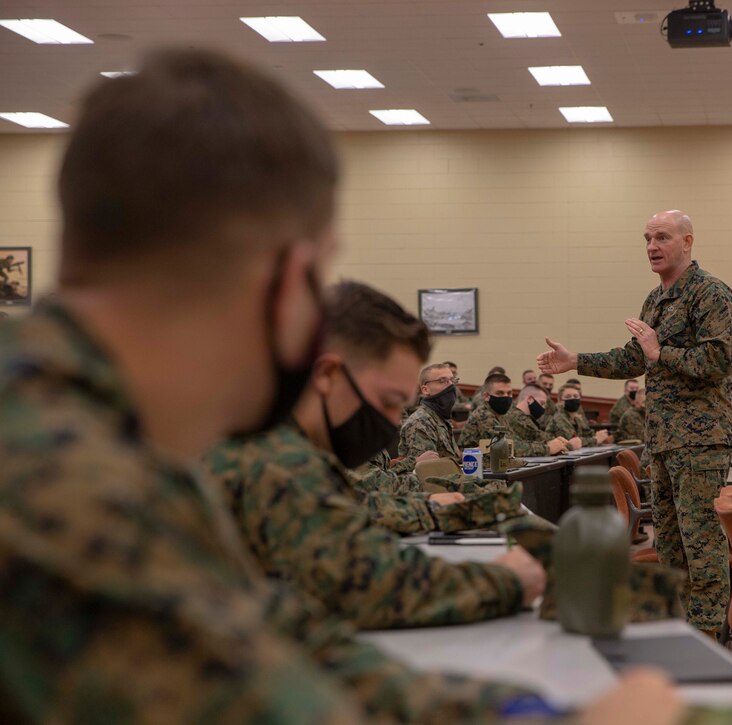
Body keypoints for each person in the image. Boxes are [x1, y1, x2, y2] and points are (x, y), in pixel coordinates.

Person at [1, 47, 673, 723]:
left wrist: (530, 710)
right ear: (288, 277)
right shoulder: (61, 469)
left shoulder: (111, 436)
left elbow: (272, 645)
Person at [204, 281, 546, 630]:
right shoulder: (276, 458)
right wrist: (507, 579)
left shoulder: (295, 446)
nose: (393, 419)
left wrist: (450, 508)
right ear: (327, 376)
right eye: (387, 401)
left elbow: (357, 505)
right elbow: (371, 583)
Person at [538, 209, 732, 636]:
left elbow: (720, 361)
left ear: (687, 241)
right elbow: (631, 358)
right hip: (664, 439)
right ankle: (678, 625)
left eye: (662, 237)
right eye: (647, 238)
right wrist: (576, 360)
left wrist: (659, 352)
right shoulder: (656, 299)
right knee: (668, 541)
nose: (652, 246)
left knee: (700, 541)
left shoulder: (711, 294)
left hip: (700, 440)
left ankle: (708, 635)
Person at [460, 373, 566, 456]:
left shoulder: (501, 415)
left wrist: (548, 445)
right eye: (500, 393)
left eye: (509, 393)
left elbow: (516, 441)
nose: (506, 397)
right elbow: (505, 449)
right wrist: (547, 448)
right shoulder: (484, 415)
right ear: (486, 396)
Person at [399, 362, 461, 465]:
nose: (451, 385)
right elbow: (430, 472)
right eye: (442, 381)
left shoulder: (440, 417)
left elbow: (452, 460)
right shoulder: (420, 422)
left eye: (452, 380)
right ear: (425, 389)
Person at [505, 384, 568, 454]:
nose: (543, 408)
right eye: (542, 403)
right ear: (530, 399)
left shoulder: (523, 416)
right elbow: (538, 437)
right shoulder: (518, 418)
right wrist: (559, 443)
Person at [545, 383, 610, 449]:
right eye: (568, 396)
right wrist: (596, 440)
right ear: (560, 401)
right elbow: (574, 441)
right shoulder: (559, 417)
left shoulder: (576, 418)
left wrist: (600, 435)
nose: (572, 399)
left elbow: (588, 433)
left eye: (576, 396)